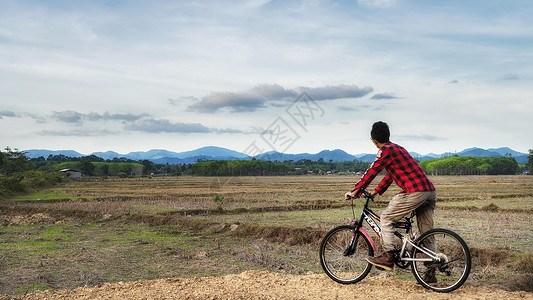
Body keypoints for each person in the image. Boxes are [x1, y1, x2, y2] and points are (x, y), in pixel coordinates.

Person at [345, 121, 437, 273]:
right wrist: (376, 191)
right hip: (429, 191)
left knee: (386, 219)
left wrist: (355, 191)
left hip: (415, 191)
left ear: (373, 140)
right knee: (427, 232)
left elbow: (372, 171)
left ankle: (388, 257)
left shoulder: (385, 150)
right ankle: (431, 272)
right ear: (388, 135)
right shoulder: (398, 148)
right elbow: (391, 175)